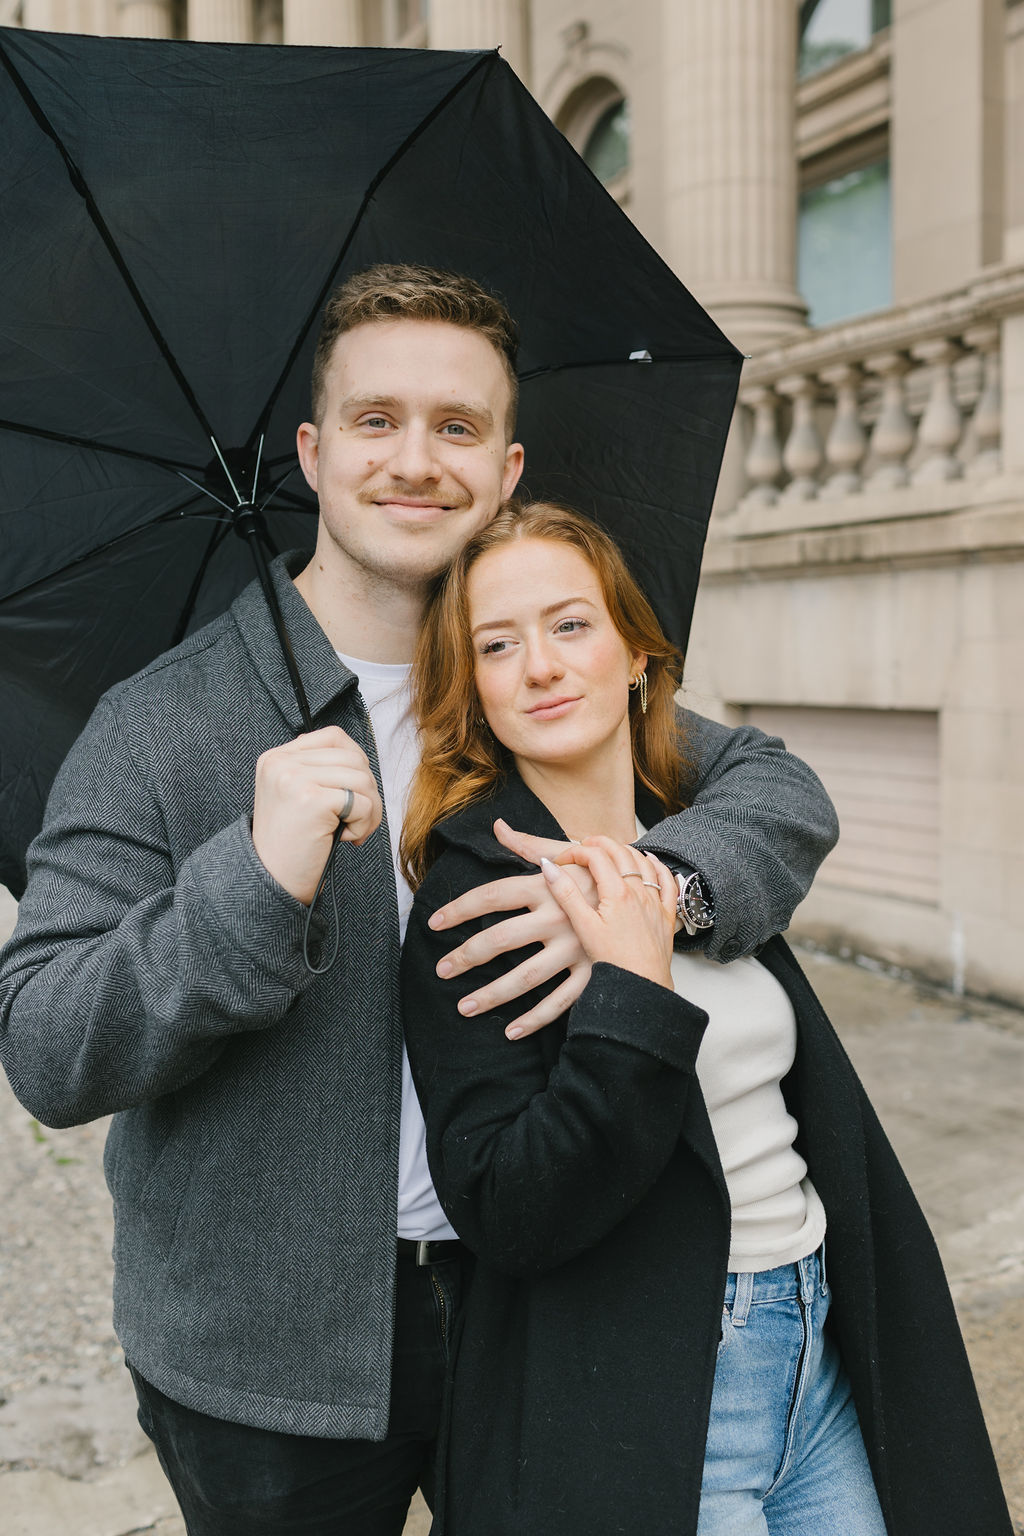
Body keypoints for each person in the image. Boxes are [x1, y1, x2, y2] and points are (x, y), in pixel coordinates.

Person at [0, 267, 841, 1536]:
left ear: (506, 469)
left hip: (542, 1305)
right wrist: (247, 881)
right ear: (313, 450)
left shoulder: (525, 685)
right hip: (261, 1363)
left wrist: (646, 894)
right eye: (376, 420)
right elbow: (51, 1046)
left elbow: (774, 792)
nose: (415, 460)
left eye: (455, 428)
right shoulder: (161, 722)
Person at [400, 500, 1012, 1536]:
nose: (539, 666)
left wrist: (660, 904)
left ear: (637, 655)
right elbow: (506, 1209)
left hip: (819, 1351)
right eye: (496, 646)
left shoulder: (691, 836)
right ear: (476, 695)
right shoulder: (480, 901)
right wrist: (628, 1000)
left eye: (570, 625)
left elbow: (793, 795)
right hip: (663, 1390)